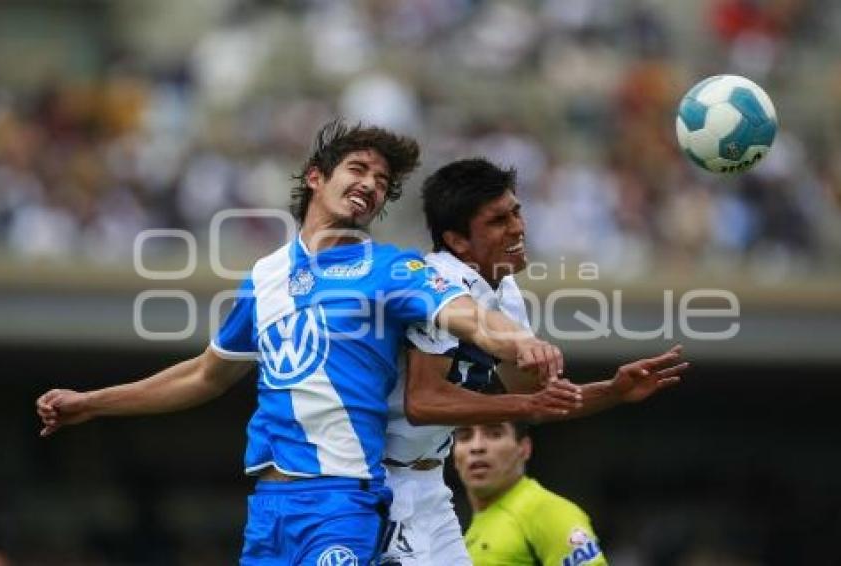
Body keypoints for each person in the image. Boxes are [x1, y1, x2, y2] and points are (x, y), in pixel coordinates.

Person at [35, 122, 568, 566]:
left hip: (342, 498)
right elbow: (205, 374)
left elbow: (466, 315)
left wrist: (521, 341)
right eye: (358, 169)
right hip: (268, 507)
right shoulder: (265, 278)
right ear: (316, 177)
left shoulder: (389, 268)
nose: (371, 185)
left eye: (382, 181)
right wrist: (92, 402)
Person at [379, 158, 687, 565]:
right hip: (378, 481)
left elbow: (536, 397)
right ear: (457, 241)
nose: (518, 228)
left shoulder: (504, 291)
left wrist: (612, 391)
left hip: (429, 483)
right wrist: (525, 405)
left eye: (517, 212)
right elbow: (422, 402)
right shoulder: (434, 287)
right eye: (497, 221)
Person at [454, 421, 607, 566]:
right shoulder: (458, 530)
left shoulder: (547, 512)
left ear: (524, 448)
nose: (476, 446)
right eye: (465, 437)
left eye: (495, 434)